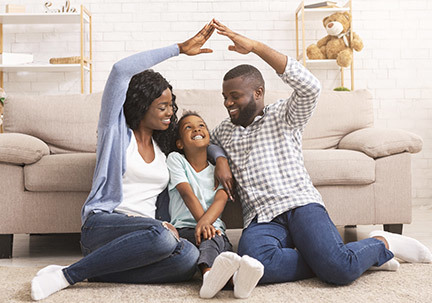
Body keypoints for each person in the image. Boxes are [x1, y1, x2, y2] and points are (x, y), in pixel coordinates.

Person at [209, 19, 432, 285]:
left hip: (301, 205)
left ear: (258, 92)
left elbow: (311, 87)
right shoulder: (224, 130)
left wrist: (256, 47)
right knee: (254, 265)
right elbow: (206, 142)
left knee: (339, 272)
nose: (228, 103)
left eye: (234, 96)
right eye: (225, 97)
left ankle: (380, 243)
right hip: (261, 216)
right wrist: (220, 158)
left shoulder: (283, 115)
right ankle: (341, 256)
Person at [30, 21, 232, 301]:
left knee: (188, 258)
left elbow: (199, 142)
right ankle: (68, 275)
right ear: (141, 105)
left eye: (171, 105)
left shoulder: (165, 149)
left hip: (145, 238)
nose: (169, 112)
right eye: (162, 106)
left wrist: (219, 158)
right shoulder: (115, 134)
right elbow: (120, 70)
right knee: (163, 236)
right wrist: (179, 49)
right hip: (104, 226)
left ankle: (96, 271)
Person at [167, 111, 263, 299]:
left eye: (202, 125)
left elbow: (221, 200)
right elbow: (186, 193)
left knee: (224, 253)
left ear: (209, 137)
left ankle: (236, 283)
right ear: (180, 143)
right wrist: (204, 224)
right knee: (209, 241)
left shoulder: (218, 172)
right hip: (186, 228)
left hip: (217, 231)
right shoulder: (176, 160)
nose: (197, 128)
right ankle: (209, 276)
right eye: (189, 127)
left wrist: (207, 225)